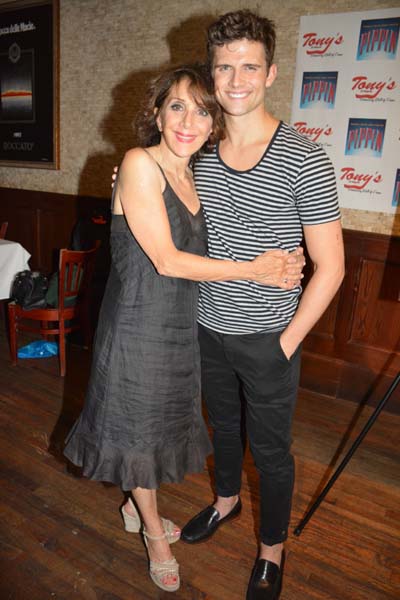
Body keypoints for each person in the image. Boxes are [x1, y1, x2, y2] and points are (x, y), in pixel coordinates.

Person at [64, 64, 305, 594]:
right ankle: (153, 534)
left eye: (201, 110)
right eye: (176, 106)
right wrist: (255, 269)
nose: (188, 120)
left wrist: (286, 264)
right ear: (156, 113)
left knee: (154, 428)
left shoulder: (195, 172)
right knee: (136, 431)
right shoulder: (137, 163)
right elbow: (169, 261)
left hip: (181, 326)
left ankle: (134, 505)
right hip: (137, 327)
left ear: (214, 122)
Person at [179, 11, 345, 600]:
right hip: (207, 327)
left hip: (270, 338)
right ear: (212, 73)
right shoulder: (196, 152)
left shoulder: (304, 156)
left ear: (270, 72)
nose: (236, 79)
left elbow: (332, 266)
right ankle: (225, 502)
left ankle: (272, 551)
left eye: (249, 66)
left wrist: (287, 341)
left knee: (272, 451)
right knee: (223, 426)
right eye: (224, 67)